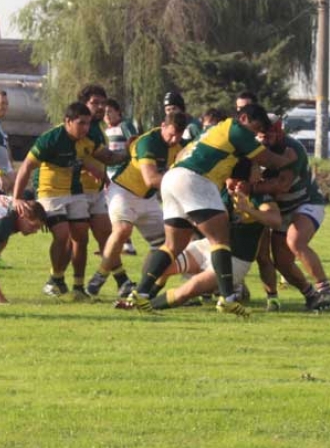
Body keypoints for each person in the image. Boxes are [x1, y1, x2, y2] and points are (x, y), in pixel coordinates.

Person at [128, 103, 297, 317]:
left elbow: (182, 154)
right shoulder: (236, 129)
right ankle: (227, 299)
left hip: (172, 177)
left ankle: (140, 293)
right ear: (244, 118)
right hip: (194, 179)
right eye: (254, 128)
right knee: (220, 240)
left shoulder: (213, 130)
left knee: (173, 245)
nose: (254, 134)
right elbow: (269, 161)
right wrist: (289, 159)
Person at [11, 102, 127, 301]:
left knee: (81, 237)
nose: (85, 128)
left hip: (74, 192)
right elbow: (26, 167)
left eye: (88, 124)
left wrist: (131, 150)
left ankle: (78, 286)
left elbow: (107, 157)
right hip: (50, 193)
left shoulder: (86, 140)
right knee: (62, 234)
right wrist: (17, 198)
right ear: (68, 121)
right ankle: (55, 279)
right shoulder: (51, 139)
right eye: (81, 123)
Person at [149, 162, 281, 310]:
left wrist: (248, 210)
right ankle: (144, 296)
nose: (231, 185)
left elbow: (275, 220)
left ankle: (146, 306)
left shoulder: (258, 196)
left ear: (246, 182)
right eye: (229, 181)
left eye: (236, 182)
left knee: (189, 289)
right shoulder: (218, 190)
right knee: (161, 264)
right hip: (208, 247)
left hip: (236, 260)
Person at [87, 111, 188, 300]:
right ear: (163, 126)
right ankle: (99, 276)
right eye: (171, 134)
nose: (174, 139)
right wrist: (182, 184)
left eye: (178, 136)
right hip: (123, 191)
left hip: (147, 199)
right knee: (123, 230)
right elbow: (151, 179)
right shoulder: (148, 142)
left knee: (166, 246)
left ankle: (144, 287)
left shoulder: (181, 146)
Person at [254, 118, 330, 309]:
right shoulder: (253, 148)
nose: (264, 141)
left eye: (268, 136)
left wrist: (251, 187)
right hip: (281, 210)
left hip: (306, 202)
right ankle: (311, 296)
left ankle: (326, 290)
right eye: (261, 136)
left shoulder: (293, 149)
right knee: (283, 264)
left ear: (279, 133)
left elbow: (281, 186)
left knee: (295, 241)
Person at [75, 85, 112, 256]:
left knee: (107, 236)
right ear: (84, 104)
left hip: (96, 192)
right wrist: (93, 170)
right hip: (77, 191)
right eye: (95, 103)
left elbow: (103, 156)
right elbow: (74, 155)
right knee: (77, 241)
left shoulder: (97, 127)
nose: (100, 107)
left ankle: (121, 280)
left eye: (103, 103)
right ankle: (58, 278)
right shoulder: (79, 126)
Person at [100, 97, 140, 256]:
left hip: (122, 174)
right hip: (109, 175)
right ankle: (123, 244)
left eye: (110, 111)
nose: (107, 115)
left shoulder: (125, 126)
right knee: (113, 210)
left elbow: (134, 143)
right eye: (104, 113)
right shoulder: (105, 131)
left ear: (118, 112)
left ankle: (126, 245)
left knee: (121, 209)